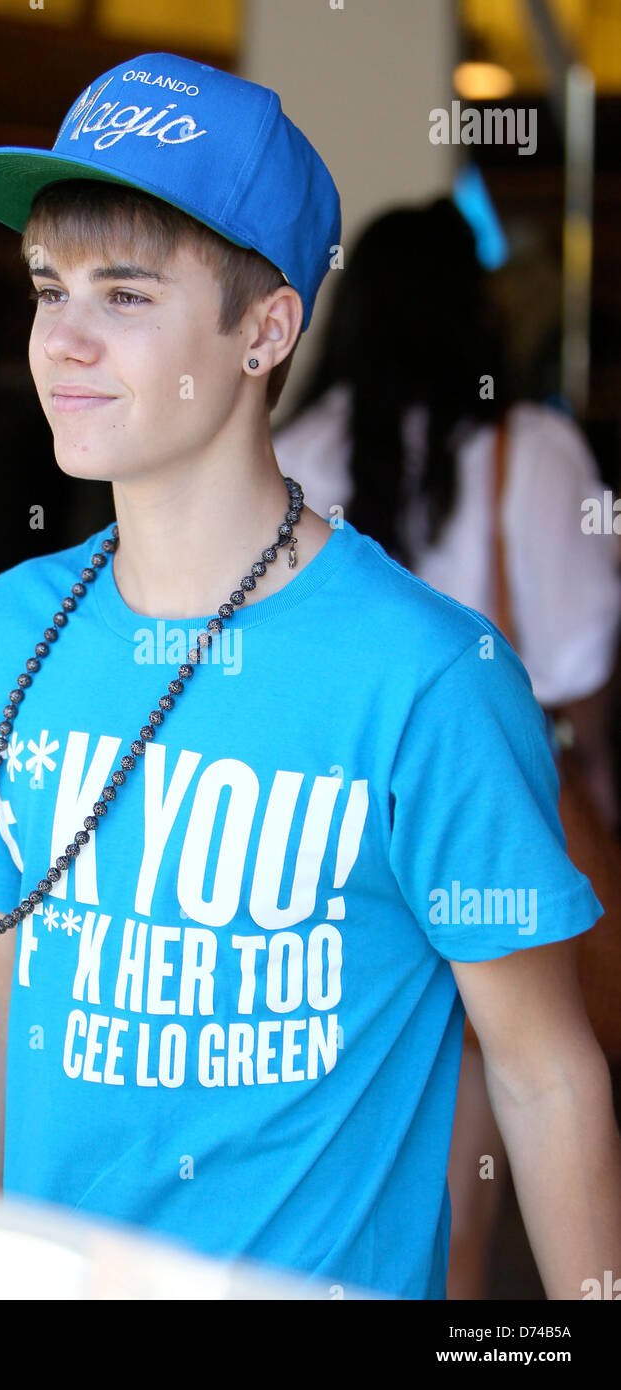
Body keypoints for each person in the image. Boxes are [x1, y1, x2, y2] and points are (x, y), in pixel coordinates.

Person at [0, 52, 621, 1301]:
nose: (62, 341)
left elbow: (543, 1071)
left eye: (124, 296)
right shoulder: (5, 631)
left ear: (265, 328)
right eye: (45, 288)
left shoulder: (425, 675)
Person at [272, 199, 621, 1297]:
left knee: (333, 1193)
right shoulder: (533, 448)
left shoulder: (283, 449)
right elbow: (575, 667)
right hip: (482, 839)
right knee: (461, 1219)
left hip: (302, 853)